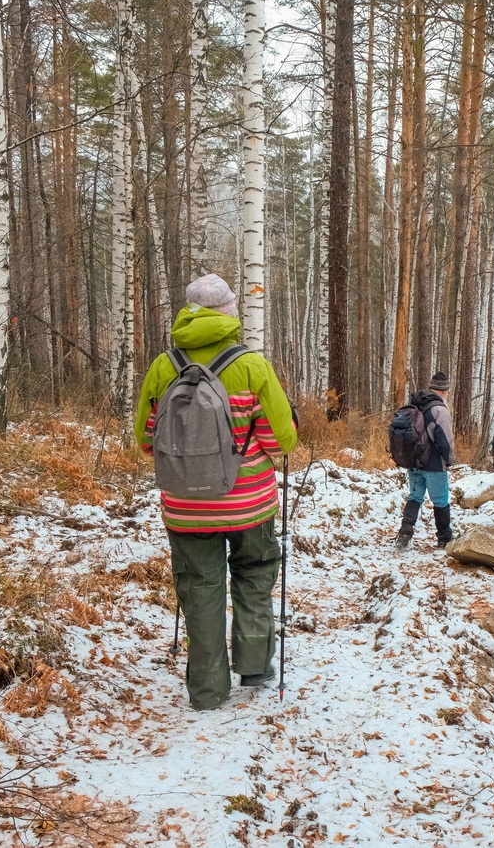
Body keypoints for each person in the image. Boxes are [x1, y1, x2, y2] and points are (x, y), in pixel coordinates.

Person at [134, 274, 298, 711]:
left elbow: (146, 439)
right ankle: (255, 665)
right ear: (229, 311)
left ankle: (207, 690)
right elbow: (281, 441)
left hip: (185, 506)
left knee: (200, 588)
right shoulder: (251, 365)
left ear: (189, 312)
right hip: (250, 502)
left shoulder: (164, 365)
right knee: (255, 574)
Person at [394, 372, 456, 550]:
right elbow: (445, 439)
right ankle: (444, 538)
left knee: (414, 497)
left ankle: (404, 535)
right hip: (434, 463)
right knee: (441, 500)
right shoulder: (440, 409)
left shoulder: (415, 404)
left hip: (414, 461)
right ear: (444, 390)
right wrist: (449, 459)